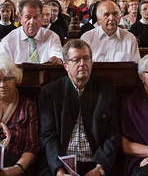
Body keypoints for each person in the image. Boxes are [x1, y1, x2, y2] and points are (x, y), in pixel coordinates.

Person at [39, 39, 120, 176]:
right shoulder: (50, 92)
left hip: (95, 162)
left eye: (86, 58)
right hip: (60, 162)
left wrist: (100, 167)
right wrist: (59, 170)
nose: (82, 64)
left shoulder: (106, 91)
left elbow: (113, 134)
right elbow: (48, 135)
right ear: (66, 65)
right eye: (76, 60)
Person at [0, 54, 39, 174]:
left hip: (16, 165)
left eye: (7, 79)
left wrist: (17, 169)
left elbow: (32, 146)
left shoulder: (27, 105)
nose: (2, 85)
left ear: (16, 79)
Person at [0, 0, 62, 64]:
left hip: (46, 73)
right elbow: (3, 65)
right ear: (20, 18)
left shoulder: (52, 37)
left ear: (41, 17)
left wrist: (57, 60)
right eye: (27, 17)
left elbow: (57, 55)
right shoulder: (8, 40)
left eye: (35, 17)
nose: (32, 22)